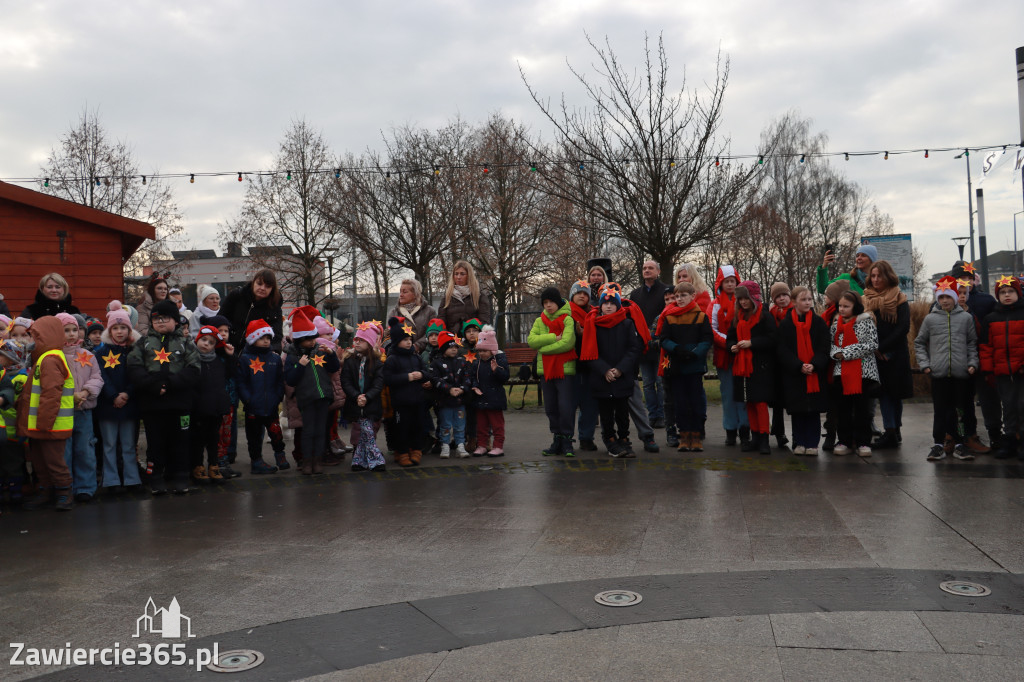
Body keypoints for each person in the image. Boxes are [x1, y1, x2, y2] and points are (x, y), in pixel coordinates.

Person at [127, 298, 201, 495]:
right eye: (156, 319)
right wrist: (153, 385)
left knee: (180, 443)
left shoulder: (186, 343)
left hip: (180, 404)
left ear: (176, 321)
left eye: (165, 318)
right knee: (155, 444)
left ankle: (180, 476)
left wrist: (169, 384)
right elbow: (134, 368)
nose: (160, 322)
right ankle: (156, 477)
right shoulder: (143, 343)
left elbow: (193, 369)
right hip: (153, 405)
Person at [915, 278, 978, 462]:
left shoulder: (966, 318)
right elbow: (919, 343)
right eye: (941, 297)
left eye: (948, 296)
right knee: (940, 410)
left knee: (960, 409)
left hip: (961, 373)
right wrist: (925, 365)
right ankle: (938, 443)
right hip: (939, 373)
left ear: (955, 297)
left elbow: (972, 342)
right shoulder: (930, 319)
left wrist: (973, 363)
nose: (944, 301)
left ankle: (959, 444)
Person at [19, 316, 77, 511]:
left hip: (50, 424)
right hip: (42, 423)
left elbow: (51, 394)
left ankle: (63, 493)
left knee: (53, 462)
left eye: (34, 336)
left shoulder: (51, 359)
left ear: (45, 336)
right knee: (40, 461)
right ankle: (47, 491)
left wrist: (44, 422)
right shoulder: (45, 358)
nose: (31, 341)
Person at [581, 287, 643, 457]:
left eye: (612, 303)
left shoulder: (627, 324)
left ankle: (624, 439)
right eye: (605, 303)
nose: (608, 306)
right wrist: (604, 370)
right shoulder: (593, 325)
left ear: (618, 306)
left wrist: (621, 369)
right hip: (602, 377)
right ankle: (610, 440)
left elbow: (633, 349)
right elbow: (589, 352)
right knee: (606, 413)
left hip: (622, 376)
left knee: (622, 412)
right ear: (600, 306)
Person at [656, 282, 713, 452]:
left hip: (694, 366)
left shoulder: (701, 317)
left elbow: (706, 339)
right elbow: (664, 339)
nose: (679, 299)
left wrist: (695, 353)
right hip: (677, 367)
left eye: (683, 296)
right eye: (677, 296)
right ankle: (684, 435)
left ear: (692, 296)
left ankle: (695, 435)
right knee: (680, 403)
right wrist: (677, 349)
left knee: (694, 401)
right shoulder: (670, 317)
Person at [863, 260, 912, 449]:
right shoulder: (866, 298)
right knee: (883, 395)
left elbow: (903, 328)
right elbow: (862, 326)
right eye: (872, 276)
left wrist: (884, 348)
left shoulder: (899, 298)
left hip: (896, 354)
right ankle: (890, 431)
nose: (875, 279)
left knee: (895, 394)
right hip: (875, 354)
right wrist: (875, 349)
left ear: (888, 276)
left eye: (879, 276)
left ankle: (894, 430)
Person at [93, 302, 141, 493]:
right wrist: (113, 395)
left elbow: (138, 375)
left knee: (129, 444)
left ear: (129, 329)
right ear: (110, 330)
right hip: (108, 405)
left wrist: (127, 393)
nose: (119, 331)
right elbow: (100, 376)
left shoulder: (135, 351)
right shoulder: (100, 353)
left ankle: (132, 479)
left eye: (123, 327)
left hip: (130, 404)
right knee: (109, 444)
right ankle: (111, 480)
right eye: (115, 328)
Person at [284, 311, 340, 475]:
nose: (312, 342)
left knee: (321, 430)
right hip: (306, 398)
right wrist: (300, 365)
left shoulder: (320, 350)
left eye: (313, 338)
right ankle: (307, 461)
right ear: (300, 340)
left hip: (323, 397)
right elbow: (291, 380)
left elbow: (334, 368)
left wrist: (332, 355)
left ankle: (318, 460)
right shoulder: (292, 356)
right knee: (308, 431)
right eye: (309, 339)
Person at [776, 286, 830, 456]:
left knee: (813, 411)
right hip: (795, 374)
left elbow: (824, 347)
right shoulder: (786, 324)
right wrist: (798, 365)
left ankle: (813, 443)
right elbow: (782, 349)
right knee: (798, 410)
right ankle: (799, 441)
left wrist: (814, 364)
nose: (807, 303)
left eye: (809, 299)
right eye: (803, 300)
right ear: (794, 302)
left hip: (814, 373)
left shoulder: (818, 322)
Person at [953, 261, 999, 453]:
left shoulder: (986, 301)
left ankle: (990, 435)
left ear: (974, 279)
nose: (966, 282)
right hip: (956, 359)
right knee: (960, 401)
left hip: (981, 358)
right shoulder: (946, 300)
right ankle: (958, 436)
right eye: (961, 278)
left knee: (988, 399)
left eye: (969, 278)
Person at [726, 282, 777, 455]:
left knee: (760, 403)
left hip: (760, 366)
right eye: (740, 299)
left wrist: (752, 343)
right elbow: (730, 338)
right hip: (742, 366)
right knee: (749, 403)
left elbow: (772, 339)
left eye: (745, 298)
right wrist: (732, 346)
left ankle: (764, 438)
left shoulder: (764, 316)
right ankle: (754, 437)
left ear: (753, 298)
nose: (743, 302)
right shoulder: (737, 317)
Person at [58, 312, 104, 502]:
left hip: (84, 411)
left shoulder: (87, 355)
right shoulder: (55, 357)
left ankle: (85, 487)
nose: (71, 334)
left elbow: (97, 378)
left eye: (74, 330)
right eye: (66, 330)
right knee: (65, 451)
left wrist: (85, 392)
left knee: (85, 449)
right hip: (62, 413)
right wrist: (71, 396)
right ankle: (66, 487)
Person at [829, 291, 880, 457]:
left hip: (862, 372)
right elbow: (831, 343)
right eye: (840, 306)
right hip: (841, 371)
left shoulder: (866, 321)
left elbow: (871, 344)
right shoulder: (836, 323)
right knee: (843, 409)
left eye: (846, 306)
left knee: (862, 410)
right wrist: (836, 353)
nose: (842, 309)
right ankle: (844, 440)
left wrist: (846, 352)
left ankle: (863, 442)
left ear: (855, 306)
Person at [528, 287, 577, 457]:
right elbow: (532, 341)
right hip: (545, 370)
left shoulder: (568, 320)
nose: (548, 306)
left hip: (565, 369)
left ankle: (567, 440)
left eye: (551, 302)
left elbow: (567, 343)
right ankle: (557, 438)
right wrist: (552, 338)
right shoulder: (539, 321)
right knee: (551, 407)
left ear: (558, 302)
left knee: (565, 406)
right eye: (545, 303)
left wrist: (544, 350)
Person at [980, 276, 1024, 460]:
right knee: (1008, 407)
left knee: (1022, 406)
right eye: (1003, 292)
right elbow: (986, 347)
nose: (1007, 295)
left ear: (1018, 293)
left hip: (1021, 371)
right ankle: (1009, 443)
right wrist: (988, 370)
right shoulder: (991, 319)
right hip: (1002, 372)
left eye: (1011, 291)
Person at [237, 319, 287, 474]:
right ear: (253, 339)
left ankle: (280, 454)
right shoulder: (245, 359)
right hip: (253, 406)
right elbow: (241, 382)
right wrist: (248, 399)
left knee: (276, 432)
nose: (266, 341)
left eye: (268, 338)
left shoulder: (275, 358)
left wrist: (278, 396)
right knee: (254, 437)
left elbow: (280, 380)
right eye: (261, 338)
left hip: (271, 405)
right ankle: (256, 461)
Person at [189, 325, 235, 484]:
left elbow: (229, 374)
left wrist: (230, 356)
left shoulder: (218, 361)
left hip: (215, 407)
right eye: (203, 340)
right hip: (198, 408)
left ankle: (213, 465)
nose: (206, 344)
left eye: (211, 342)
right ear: (197, 340)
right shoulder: (192, 359)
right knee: (198, 439)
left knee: (213, 438)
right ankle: (197, 466)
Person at [382, 317, 430, 467]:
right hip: (401, 402)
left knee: (418, 426)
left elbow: (427, 372)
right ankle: (402, 452)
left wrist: (422, 375)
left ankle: (416, 450)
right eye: (405, 340)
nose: (409, 342)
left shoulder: (416, 357)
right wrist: (407, 377)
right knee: (401, 428)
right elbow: (388, 379)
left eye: (410, 339)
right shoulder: (392, 359)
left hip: (417, 400)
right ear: (397, 341)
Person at [710, 265, 750, 447]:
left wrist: (741, 342)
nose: (730, 285)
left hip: (744, 353)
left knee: (744, 394)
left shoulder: (745, 302)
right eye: (727, 282)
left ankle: (745, 429)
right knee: (728, 395)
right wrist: (728, 343)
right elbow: (712, 328)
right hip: (725, 355)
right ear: (720, 283)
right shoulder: (714, 304)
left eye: (733, 281)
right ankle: (730, 430)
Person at [629, 260, 670, 428]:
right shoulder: (635, 294)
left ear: (658, 271)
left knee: (660, 383)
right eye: (644, 268)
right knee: (647, 383)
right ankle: (652, 415)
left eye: (650, 268)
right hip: (643, 345)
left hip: (660, 345)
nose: (647, 270)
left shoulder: (666, 291)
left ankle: (662, 415)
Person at [341, 322, 386, 472]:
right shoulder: (349, 361)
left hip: (371, 403)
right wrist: (356, 396)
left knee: (367, 430)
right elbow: (345, 382)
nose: (357, 342)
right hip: (355, 403)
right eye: (356, 339)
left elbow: (378, 384)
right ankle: (371, 459)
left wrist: (367, 397)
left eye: (362, 340)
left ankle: (361, 460)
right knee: (363, 431)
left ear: (370, 343)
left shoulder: (377, 363)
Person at [567, 280, 599, 451]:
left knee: (590, 405)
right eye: (578, 292)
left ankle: (586, 438)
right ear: (572, 295)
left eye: (585, 293)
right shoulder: (566, 315)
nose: (582, 295)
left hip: (590, 367)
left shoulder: (593, 315)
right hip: (572, 366)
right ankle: (567, 439)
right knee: (570, 405)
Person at [429, 331, 471, 458]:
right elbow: (435, 379)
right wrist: (449, 389)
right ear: (443, 348)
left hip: (459, 401)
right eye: (450, 347)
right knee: (445, 424)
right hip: (444, 402)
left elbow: (468, 378)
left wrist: (462, 389)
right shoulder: (436, 363)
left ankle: (460, 445)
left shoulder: (462, 361)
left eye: (455, 347)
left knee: (460, 425)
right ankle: (445, 445)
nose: (454, 350)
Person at [820, 279, 850, 451]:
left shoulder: (838, 315)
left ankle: (838, 435)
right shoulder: (827, 314)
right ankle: (830, 433)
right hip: (830, 363)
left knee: (840, 402)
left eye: (828, 295)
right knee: (832, 402)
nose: (825, 297)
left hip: (840, 362)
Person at [221, 270, 285, 352]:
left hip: (255, 354)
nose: (262, 288)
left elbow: (276, 333)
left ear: (272, 289)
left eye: (267, 286)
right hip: (228, 347)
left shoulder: (274, 307)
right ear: (253, 282)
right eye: (259, 284)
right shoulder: (237, 296)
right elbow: (221, 319)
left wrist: (274, 352)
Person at [469, 325, 508, 456]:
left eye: (485, 351)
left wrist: (496, 370)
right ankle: (482, 445)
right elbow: (473, 377)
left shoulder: (500, 360)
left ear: (492, 350)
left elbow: (504, 378)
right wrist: (474, 386)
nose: (482, 354)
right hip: (481, 398)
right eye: (480, 351)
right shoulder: (477, 363)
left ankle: (498, 446)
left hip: (495, 398)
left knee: (497, 425)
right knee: (481, 425)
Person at [0, 339, 30, 505]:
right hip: (3, 428)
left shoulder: (20, 379)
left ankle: (15, 490)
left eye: (1, 355)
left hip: (13, 429)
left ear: (11, 359)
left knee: (13, 462)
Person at [767, 282, 794, 449]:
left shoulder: (795, 311)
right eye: (778, 296)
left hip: (790, 360)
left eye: (784, 295)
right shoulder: (771, 314)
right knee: (777, 401)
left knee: (790, 398)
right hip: (776, 361)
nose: (782, 298)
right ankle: (779, 432)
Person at [437, 260, 492, 331]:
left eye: (462, 274)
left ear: (469, 275)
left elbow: (484, 321)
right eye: (456, 274)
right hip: (452, 339)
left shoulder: (479, 295)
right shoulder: (447, 296)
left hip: (473, 338)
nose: (458, 277)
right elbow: (441, 320)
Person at [386, 278, 437, 354]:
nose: (401, 295)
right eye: (400, 291)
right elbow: (388, 336)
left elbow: (433, 333)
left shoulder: (430, 311)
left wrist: (417, 346)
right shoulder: (394, 313)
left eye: (405, 292)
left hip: (424, 354)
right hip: (400, 355)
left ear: (415, 294)